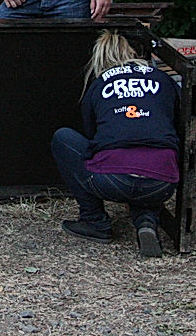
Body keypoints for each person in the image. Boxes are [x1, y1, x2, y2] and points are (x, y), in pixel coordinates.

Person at [51, 30, 180, 258]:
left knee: (63, 138)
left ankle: (95, 221)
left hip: (111, 179)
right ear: (133, 52)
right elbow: (179, 122)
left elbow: (91, 135)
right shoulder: (163, 79)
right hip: (162, 182)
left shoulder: (99, 84)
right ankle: (146, 222)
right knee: (147, 164)